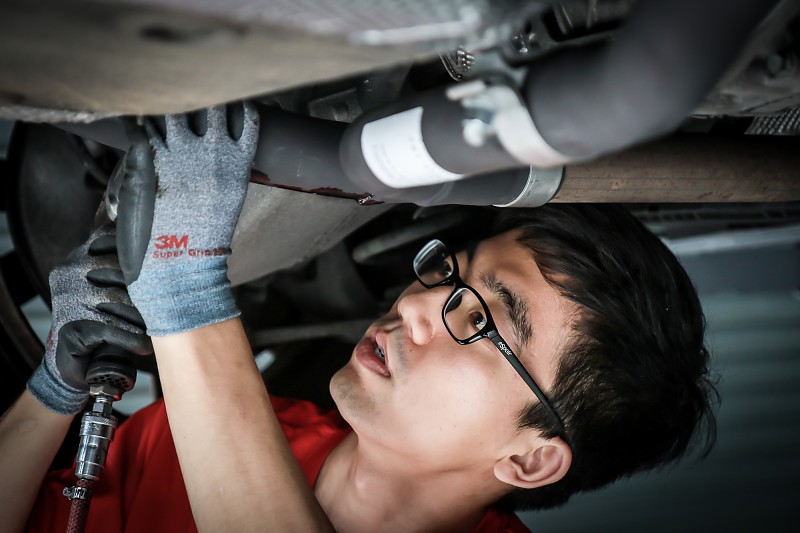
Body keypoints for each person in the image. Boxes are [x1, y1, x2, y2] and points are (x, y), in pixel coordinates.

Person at [0, 104, 718, 532]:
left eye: (481, 319)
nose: (415, 304)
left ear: (528, 458)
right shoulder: (186, 435)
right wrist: (53, 390)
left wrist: (185, 294)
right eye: (451, 273)